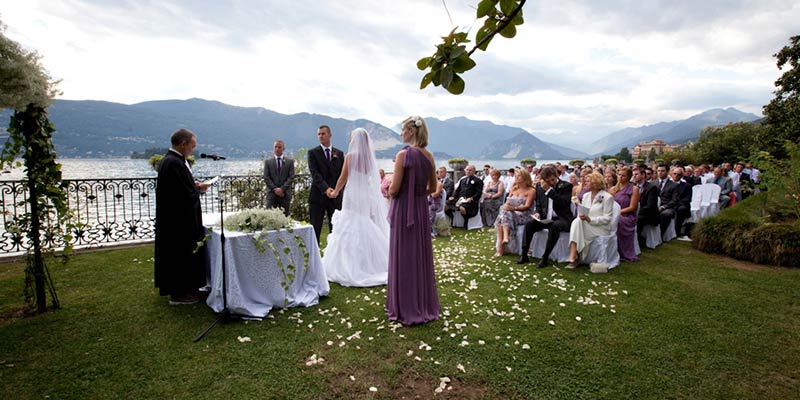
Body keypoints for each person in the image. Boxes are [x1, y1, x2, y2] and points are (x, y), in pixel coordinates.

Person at [386, 115, 439, 326]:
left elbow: (395, 189)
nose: (400, 133)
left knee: (403, 255)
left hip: (403, 211)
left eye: (402, 130)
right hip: (419, 209)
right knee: (419, 255)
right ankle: (422, 304)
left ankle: (404, 305)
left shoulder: (403, 155)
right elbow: (433, 189)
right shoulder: (429, 156)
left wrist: (386, 188)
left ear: (411, 131)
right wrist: (417, 193)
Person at [322, 128, 389, 287]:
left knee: (351, 222)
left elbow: (343, 178)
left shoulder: (351, 156)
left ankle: (349, 265)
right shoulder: (368, 158)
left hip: (352, 194)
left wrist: (335, 191)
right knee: (363, 222)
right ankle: (371, 262)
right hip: (364, 195)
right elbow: (372, 179)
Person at [154, 128, 211, 305]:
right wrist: (198, 188)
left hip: (176, 219)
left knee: (181, 254)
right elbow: (181, 194)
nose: (193, 149)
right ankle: (179, 294)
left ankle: (187, 287)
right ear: (183, 144)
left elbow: (179, 187)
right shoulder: (173, 163)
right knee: (179, 254)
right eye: (192, 146)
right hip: (178, 221)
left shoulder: (173, 161)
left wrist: (192, 185)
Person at [518, 165, 574, 268]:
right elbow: (539, 204)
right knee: (529, 225)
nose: (551, 183)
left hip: (562, 219)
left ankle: (545, 257)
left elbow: (563, 203)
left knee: (555, 226)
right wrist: (537, 213)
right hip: (546, 219)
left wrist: (549, 191)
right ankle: (524, 253)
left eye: (553, 180)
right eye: (548, 181)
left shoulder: (566, 186)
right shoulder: (539, 186)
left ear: (556, 175)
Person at [566, 172, 615, 269]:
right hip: (587, 224)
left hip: (601, 227)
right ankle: (575, 254)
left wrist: (590, 219)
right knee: (577, 221)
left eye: (588, 181)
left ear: (595, 183)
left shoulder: (607, 197)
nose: (585, 183)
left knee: (577, 224)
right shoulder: (586, 196)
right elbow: (585, 211)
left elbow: (608, 218)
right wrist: (582, 215)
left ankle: (575, 256)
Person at [308, 125, 345, 243]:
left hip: (335, 196)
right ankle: (314, 255)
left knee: (335, 227)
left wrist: (337, 190)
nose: (320, 136)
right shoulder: (313, 153)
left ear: (330, 135)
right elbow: (315, 174)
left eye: (323, 134)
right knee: (315, 227)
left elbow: (342, 174)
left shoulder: (339, 153)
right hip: (318, 195)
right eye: (319, 134)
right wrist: (326, 189)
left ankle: (334, 255)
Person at [494, 168, 535, 256]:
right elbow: (508, 202)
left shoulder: (531, 191)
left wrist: (513, 208)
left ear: (525, 177)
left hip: (525, 215)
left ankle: (501, 248)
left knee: (504, 215)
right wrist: (507, 206)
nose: (516, 177)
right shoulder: (514, 189)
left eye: (519, 176)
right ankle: (504, 238)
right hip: (512, 213)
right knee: (505, 211)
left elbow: (527, 206)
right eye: (516, 176)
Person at [612, 167, 639, 262]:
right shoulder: (613, 189)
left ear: (629, 177)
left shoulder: (634, 189)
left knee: (617, 221)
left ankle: (623, 252)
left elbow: (632, 207)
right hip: (613, 213)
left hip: (627, 216)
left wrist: (618, 212)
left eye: (623, 176)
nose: (620, 177)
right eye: (619, 175)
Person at [263, 140, 295, 216]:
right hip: (272, 194)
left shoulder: (289, 162)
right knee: (269, 217)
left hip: (284, 194)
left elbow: (291, 177)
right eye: (275, 147)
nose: (277, 149)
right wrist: (275, 189)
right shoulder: (268, 162)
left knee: (285, 218)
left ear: (283, 148)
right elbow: (266, 177)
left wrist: (282, 189)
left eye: (279, 147)